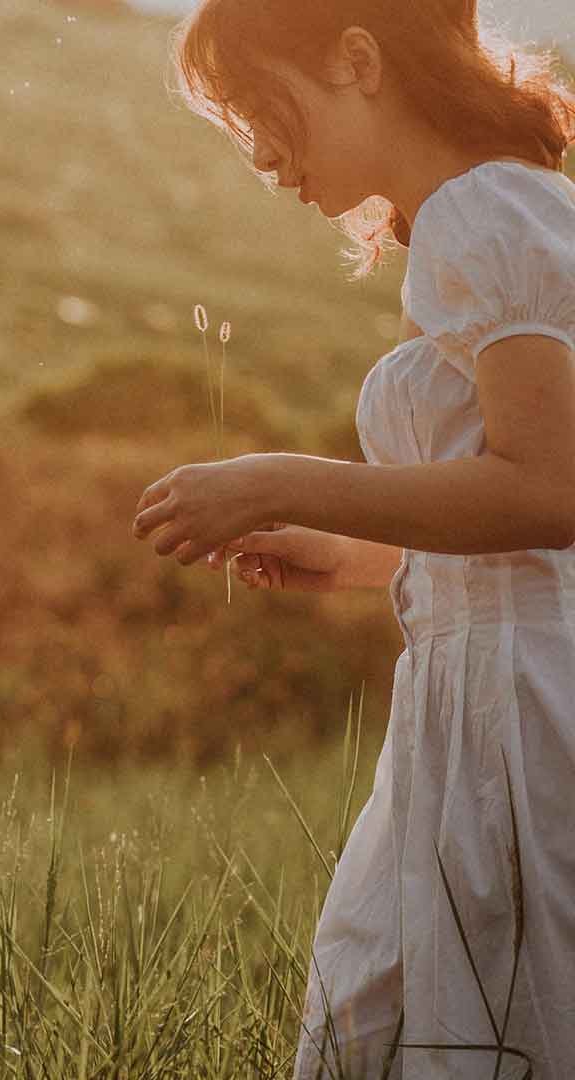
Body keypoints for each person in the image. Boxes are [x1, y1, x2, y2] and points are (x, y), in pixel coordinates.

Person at [138, 2, 575, 1075]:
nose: (258, 153)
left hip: (523, 707)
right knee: (383, 1026)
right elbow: (516, 526)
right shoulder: (485, 215)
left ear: (357, 58)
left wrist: (287, 478)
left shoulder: (489, 214)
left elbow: (552, 491)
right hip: (468, 700)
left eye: (257, 107)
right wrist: (354, 554)